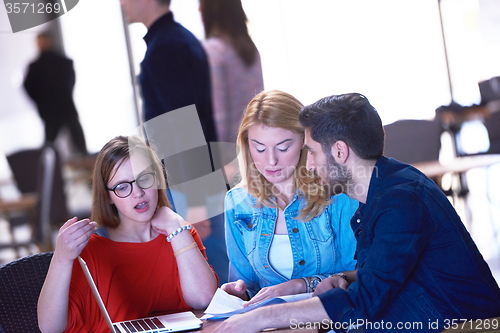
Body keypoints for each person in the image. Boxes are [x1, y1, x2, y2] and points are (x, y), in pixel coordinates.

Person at [214, 93, 500, 333]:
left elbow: (364, 304)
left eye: (310, 152)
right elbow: (381, 275)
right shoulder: (381, 188)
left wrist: (262, 317)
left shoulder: (400, 201)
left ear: (339, 152)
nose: (309, 164)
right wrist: (348, 279)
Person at [37, 136, 217, 333]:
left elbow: (204, 299)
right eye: (122, 187)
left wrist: (176, 226)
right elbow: (49, 328)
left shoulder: (180, 232)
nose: (137, 192)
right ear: (108, 196)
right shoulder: (90, 249)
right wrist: (61, 258)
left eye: (144, 178)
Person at [222, 90, 359, 305]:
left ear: (305, 142)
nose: (271, 160)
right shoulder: (237, 202)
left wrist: (301, 284)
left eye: (283, 147)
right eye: (259, 148)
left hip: (330, 321)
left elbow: (360, 275)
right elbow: (245, 284)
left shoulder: (337, 194)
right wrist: (238, 292)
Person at [120, 0, 217, 144]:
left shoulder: (164, 48)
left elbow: (185, 129)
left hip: (184, 164)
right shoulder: (181, 37)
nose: (122, 3)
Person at [200, 0, 264, 146]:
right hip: (257, 144)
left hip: (231, 154)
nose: (198, 9)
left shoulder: (214, 50)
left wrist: (218, 159)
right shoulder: (251, 48)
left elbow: (219, 116)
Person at [24, 31, 87, 155]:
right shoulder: (35, 67)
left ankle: (90, 164)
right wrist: (41, 102)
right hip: (50, 111)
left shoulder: (63, 63)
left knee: (77, 138)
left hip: (63, 106)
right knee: (49, 144)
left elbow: (70, 82)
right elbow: (28, 87)